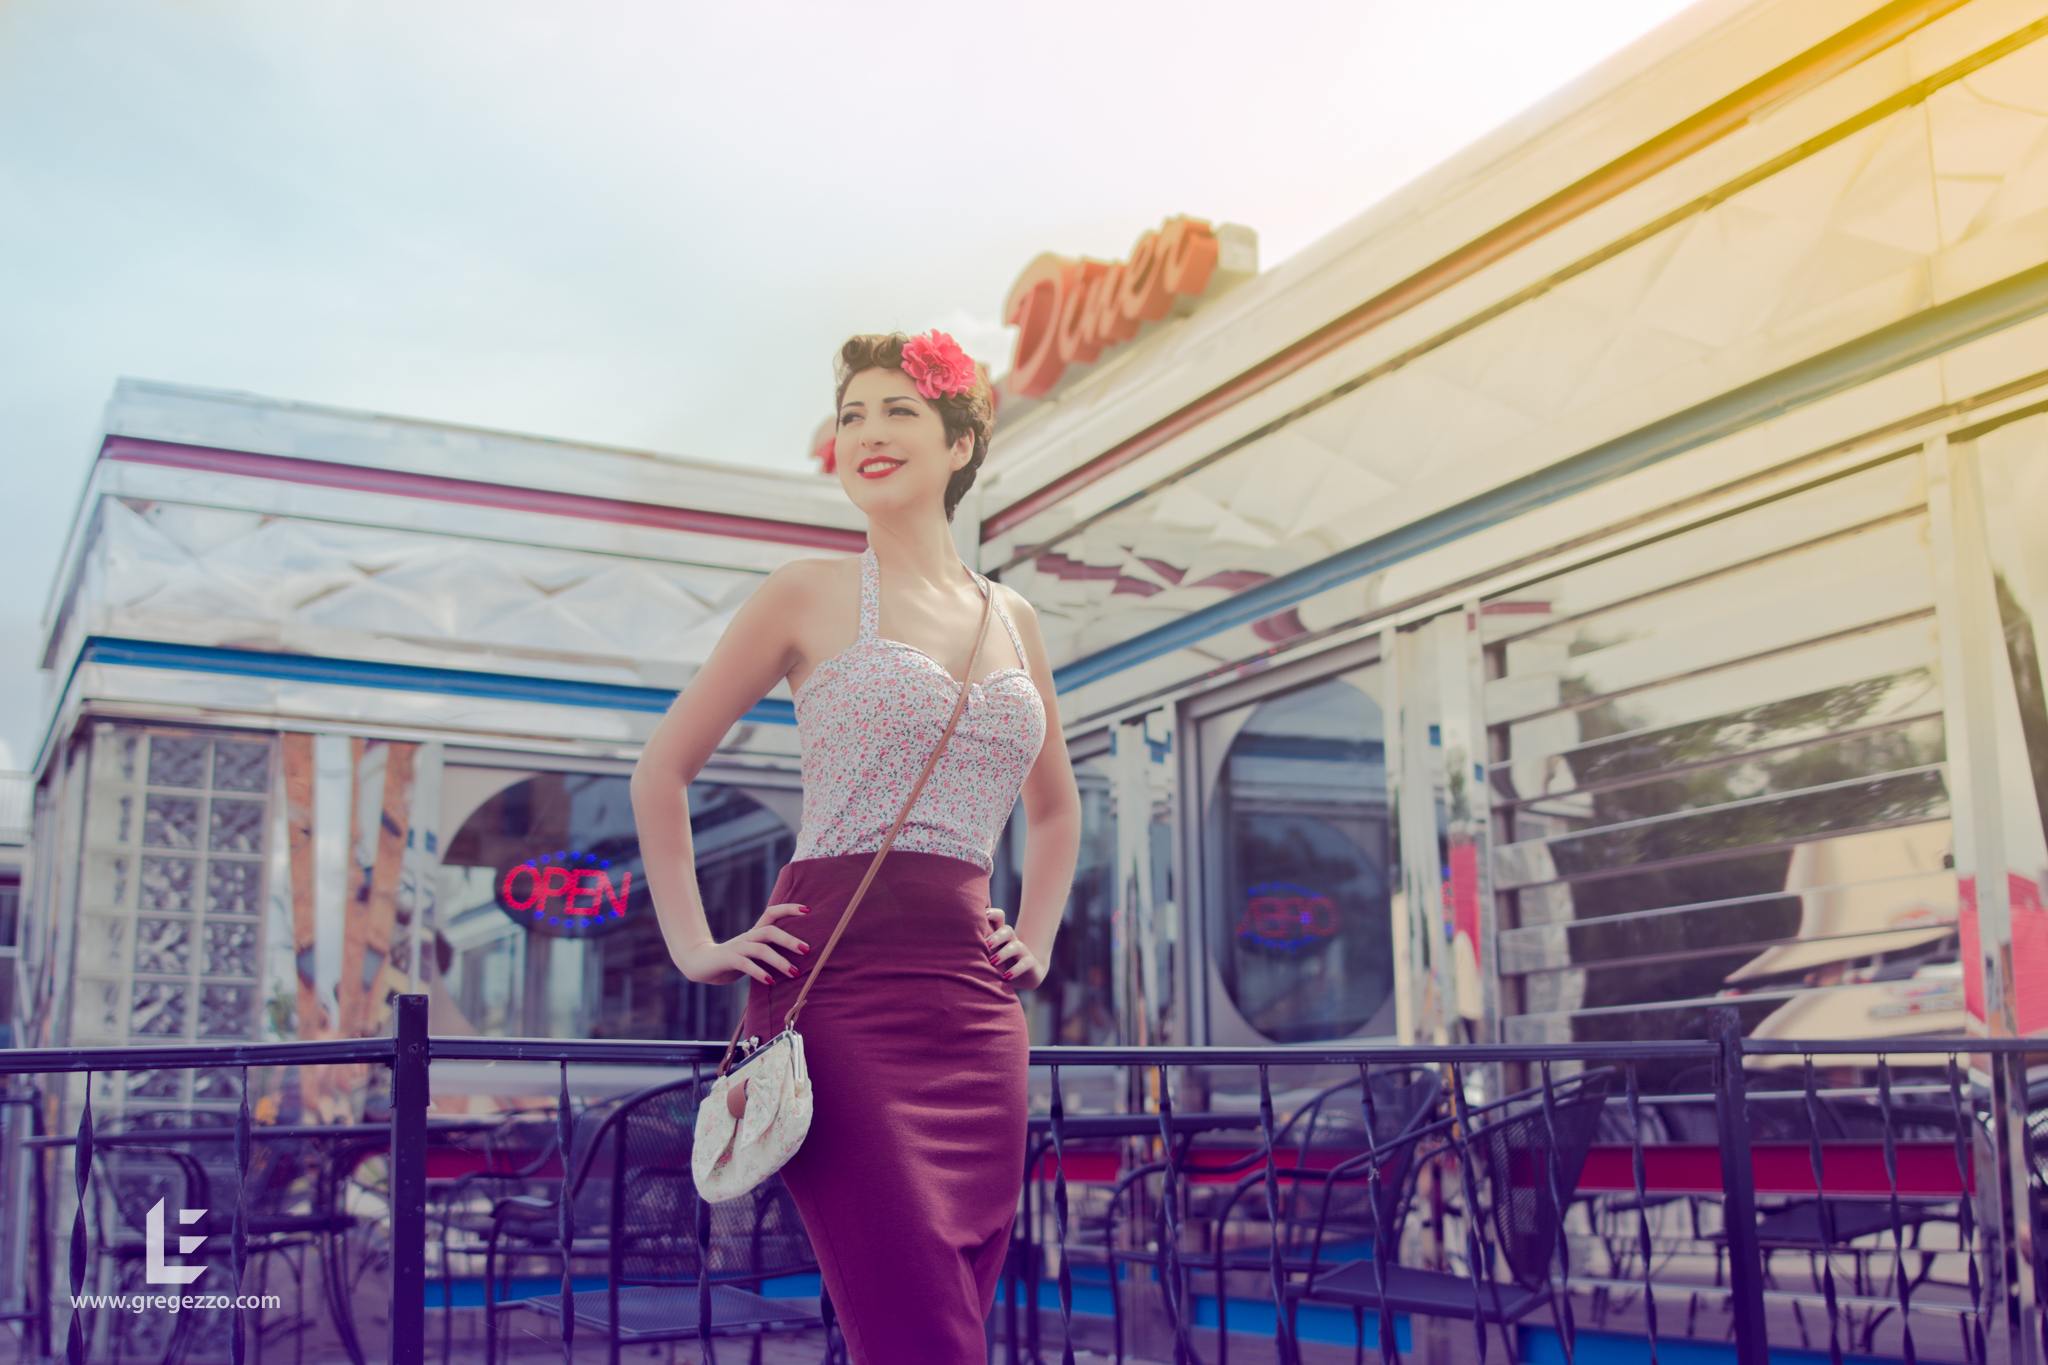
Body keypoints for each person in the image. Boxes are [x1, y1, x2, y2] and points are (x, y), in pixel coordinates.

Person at [631, 330, 1082, 1362]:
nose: (867, 435)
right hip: (835, 986)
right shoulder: (804, 590)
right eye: (850, 417)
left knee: (959, 1301)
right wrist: (696, 946)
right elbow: (659, 772)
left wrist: (1040, 940)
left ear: (961, 444)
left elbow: (1055, 811)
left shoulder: (1012, 616)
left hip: (975, 1005)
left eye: (897, 412)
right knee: (920, 1328)